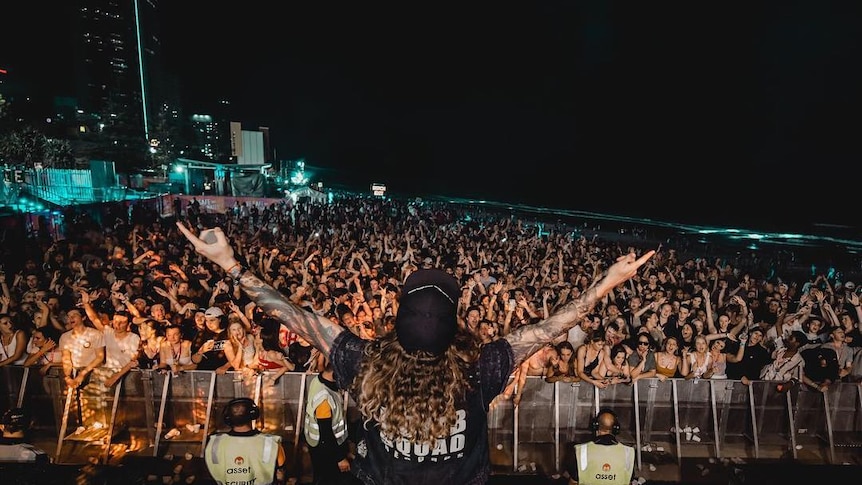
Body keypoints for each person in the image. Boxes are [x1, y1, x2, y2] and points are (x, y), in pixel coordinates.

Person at [177, 222, 654, 484]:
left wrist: (231, 266)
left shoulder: (363, 361)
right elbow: (549, 328)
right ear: (454, 331)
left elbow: (294, 316)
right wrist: (605, 284)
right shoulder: (479, 368)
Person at [204, 397, 287, 485]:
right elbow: (281, 473)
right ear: (253, 414)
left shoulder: (215, 443)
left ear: (228, 417)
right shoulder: (270, 443)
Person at [303, 356, 356, 485]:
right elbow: (326, 433)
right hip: (325, 450)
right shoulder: (324, 399)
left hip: (324, 445)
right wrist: (340, 458)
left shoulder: (319, 380)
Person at [564, 409, 635, 485]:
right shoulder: (628, 452)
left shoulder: (581, 451)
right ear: (616, 429)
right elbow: (629, 481)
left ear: (595, 426)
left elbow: (573, 482)